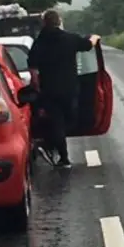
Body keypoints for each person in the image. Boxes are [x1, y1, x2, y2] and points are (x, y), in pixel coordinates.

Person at [27, 9, 100, 168]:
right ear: (59, 21)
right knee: (70, 119)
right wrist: (94, 38)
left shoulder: (39, 42)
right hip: (69, 88)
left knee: (56, 121)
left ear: (44, 23)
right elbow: (88, 45)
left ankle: (62, 154)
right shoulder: (69, 39)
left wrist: (36, 87)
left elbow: (33, 69)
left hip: (49, 90)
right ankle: (56, 144)